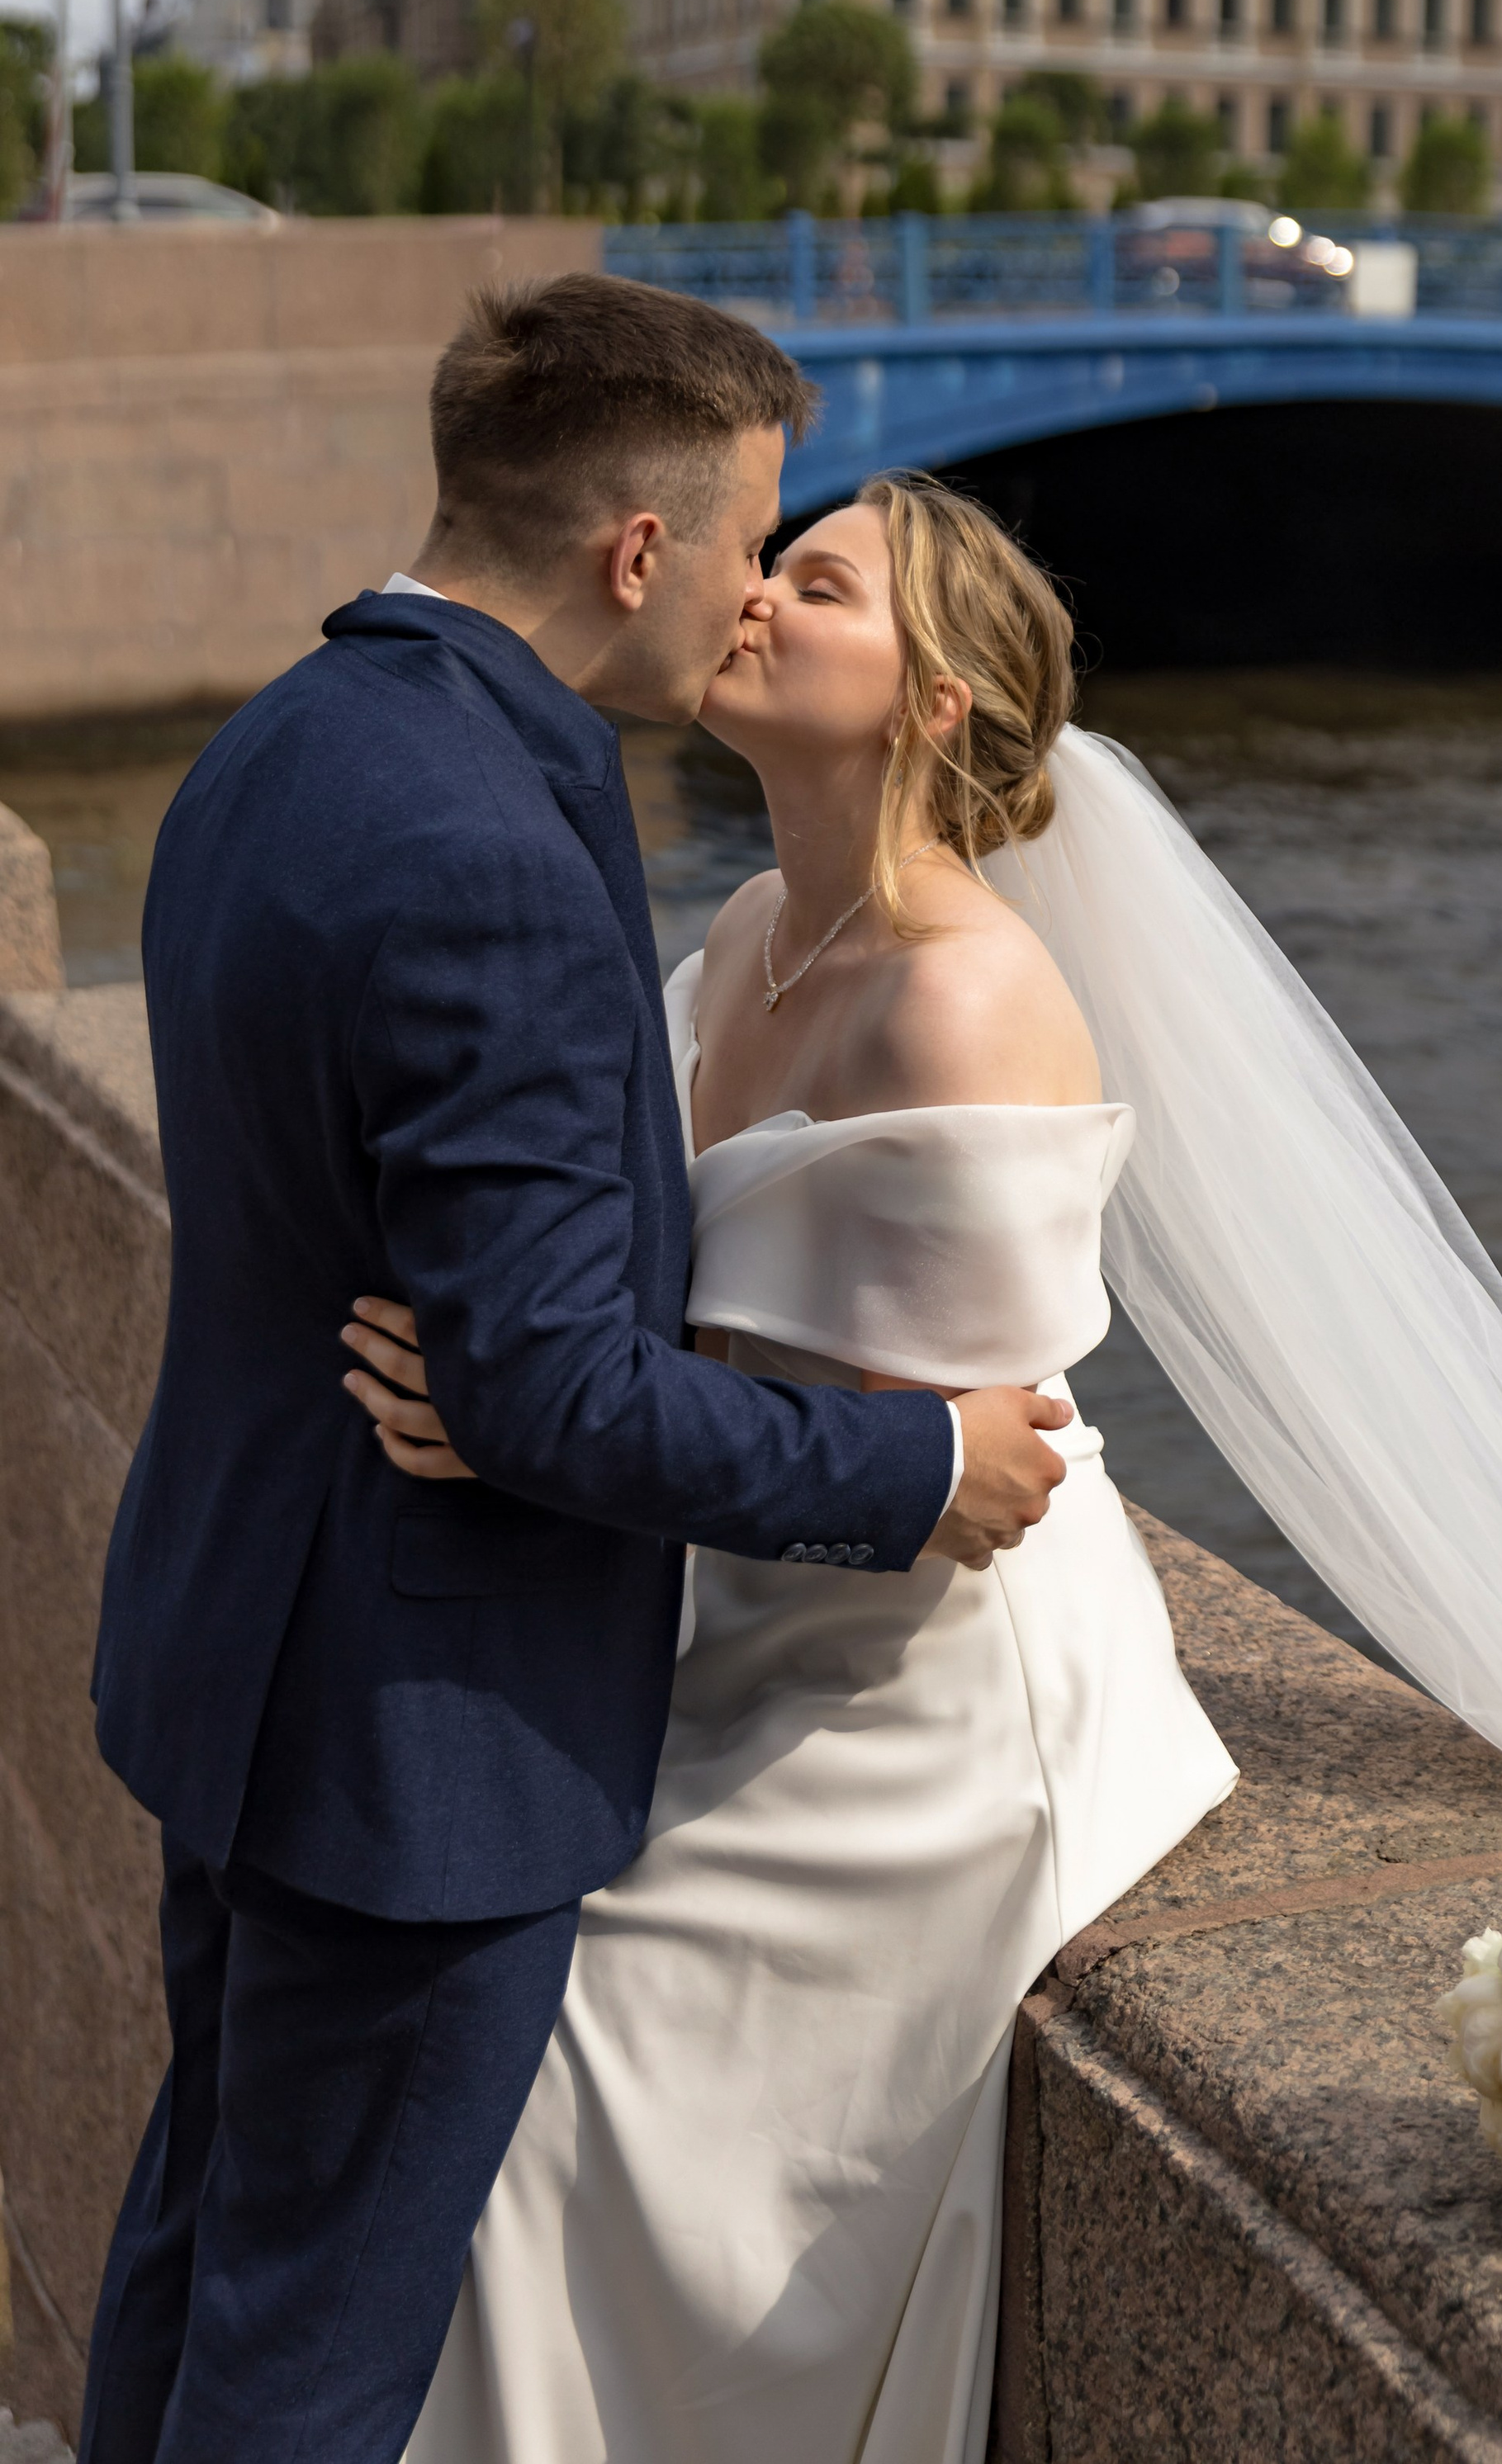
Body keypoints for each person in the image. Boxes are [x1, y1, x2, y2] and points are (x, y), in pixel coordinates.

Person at [78, 282, 1072, 2464]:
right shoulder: (501, 852)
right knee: (313, 2356)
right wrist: (912, 1470)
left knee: (201, 2247)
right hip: (410, 1741)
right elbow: (543, 1396)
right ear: (640, 550)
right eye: (750, 542)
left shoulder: (288, 741)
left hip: (237, 1651)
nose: (746, 590)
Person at [353, 474, 1238, 2462]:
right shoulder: (753, 921)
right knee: (462, 2044)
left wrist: (515, 1433)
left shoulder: (965, 998)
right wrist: (508, 1360)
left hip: (909, 1704)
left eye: (815, 583)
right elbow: (665, 1308)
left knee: (545, 2092)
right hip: (733, 1621)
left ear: (930, 703)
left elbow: (963, 1477)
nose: (751, 594)